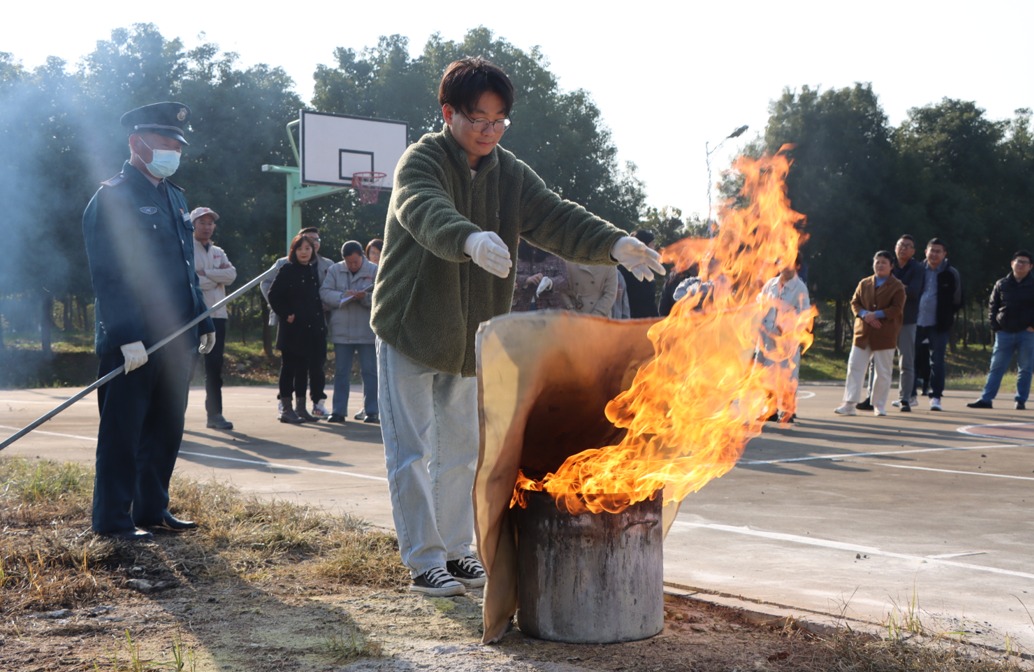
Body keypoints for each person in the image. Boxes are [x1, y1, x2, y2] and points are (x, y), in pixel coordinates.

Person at [371, 57, 663, 597]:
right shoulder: (421, 160)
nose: (489, 130)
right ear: (448, 112)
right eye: (478, 118)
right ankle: (424, 559)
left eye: (500, 120)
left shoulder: (511, 173)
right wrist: (468, 238)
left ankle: (459, 550)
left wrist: (613, 243)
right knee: (411, 452)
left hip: (471, 338)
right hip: (410, 326)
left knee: (462, 450)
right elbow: (422, 208)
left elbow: (557, 216)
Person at [82, 102, 214, 541]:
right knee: (123, 432)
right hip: (134, 342)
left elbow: (184, 267)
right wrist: (125, 336)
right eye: (165, 144)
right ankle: (113, 520)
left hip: (177, 338)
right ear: (136, 143)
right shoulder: (114, 195)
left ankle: (152, 510)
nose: (173, 151)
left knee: (165, 427)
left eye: (178, 145)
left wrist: (203, 319)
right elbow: (109, 274)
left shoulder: (175, 195)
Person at [261, 226, 332, 419]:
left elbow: (314, 301)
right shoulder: (287, 269)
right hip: (292, 329)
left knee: (303, 370)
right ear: (294, 250)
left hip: (312, 330)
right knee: (289, 368)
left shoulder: (311, 270)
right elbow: (273, 295)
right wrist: (286, 314)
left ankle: (301, 408)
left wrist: (320, 326)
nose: (304, 252)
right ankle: (286, 408)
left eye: (308, 249)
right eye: (300, 248)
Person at [835, 251, 906, 417]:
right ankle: (849, 403)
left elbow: (896, 309)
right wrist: (865, 314)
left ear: (891, 266)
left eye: (884, 263)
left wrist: (877, 314)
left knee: (883, 371)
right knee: (855, 368)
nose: (880, 265)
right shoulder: (864, 283)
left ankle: (879, 405)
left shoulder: (897, 286)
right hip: (863, 332)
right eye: (877, 262)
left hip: (885, 333)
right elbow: (855, 303)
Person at [967, 250, 1034, 410]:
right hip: (1004, 332)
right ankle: (986, 399)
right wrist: (996, 327)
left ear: (1031, 266)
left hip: (1027, 333)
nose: (1020, 264)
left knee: (1025, 368)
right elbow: (992, 306)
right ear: (1012, 263)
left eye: (1024, 262)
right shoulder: (1001, 283)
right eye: (1018, 261)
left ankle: (1020, 399)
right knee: (996, 367)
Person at [321, 241, 379, 423]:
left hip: (367, 330)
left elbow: (382, 295)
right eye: (349, 262)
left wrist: (366, 298)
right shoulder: (334, 270)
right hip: (342, 330)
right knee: (341, 372)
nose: (353, 265)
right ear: (343, 259)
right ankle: (338, 411)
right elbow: (324, 292)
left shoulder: (374, 270)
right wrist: (343, 296)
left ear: (362, 255)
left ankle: (372, 411)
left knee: (370, 372)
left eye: (356, 261)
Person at [191, 206, 237, 430]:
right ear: (193, 225)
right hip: (192, 316)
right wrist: (216, 277)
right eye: (202, 223)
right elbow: (191, 282)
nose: (207, 227)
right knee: (185, 367)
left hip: (217, 314)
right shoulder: (186, 248)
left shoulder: (219, 251)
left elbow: (231, 275)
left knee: (214, 367)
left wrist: (206, 274)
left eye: (210, 223)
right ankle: (171, 415)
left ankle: (215, 415)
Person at [755, 259, 811, 422]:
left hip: (786, 339)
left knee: (788, 375)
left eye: (789, 264)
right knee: (767, 375)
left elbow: (804, 314)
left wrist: (786, 327)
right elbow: (761, 301)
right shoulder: (771, 283)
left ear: (797, 266)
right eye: (782, 263)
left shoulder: (800, 288)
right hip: (766, 336)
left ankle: (788, 411)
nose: (785, 268)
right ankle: (770, 409)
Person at [913, 238, 963, 411]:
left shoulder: (951, 273)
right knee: (910, 358)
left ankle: (936, 397)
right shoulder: (918, 270)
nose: (934, 254)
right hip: (916, 321)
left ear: (944, 254)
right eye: (931, 250)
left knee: (937, 361)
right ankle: (909, 395)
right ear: (925, 251)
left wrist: (946, 315)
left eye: (938, 251)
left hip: (939, 324)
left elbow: (957, 299)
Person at [512, 241, 571, 312]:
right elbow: (506, 277)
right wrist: (526, 280)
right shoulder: (514, 254)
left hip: (550, 309)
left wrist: (550, 282)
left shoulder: (555, 254)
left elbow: (564, 279)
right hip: (520, 309)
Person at [620, 229, 660, 318]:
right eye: (652, 244)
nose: (654, 248)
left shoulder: (646, 269)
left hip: (645, 322)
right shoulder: (625, 268)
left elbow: (650, 303)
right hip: (629, 322)